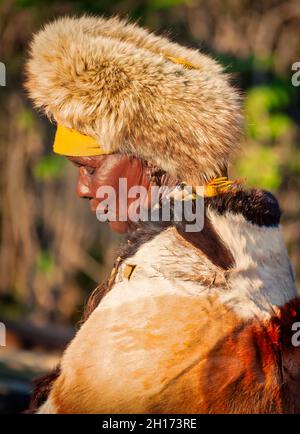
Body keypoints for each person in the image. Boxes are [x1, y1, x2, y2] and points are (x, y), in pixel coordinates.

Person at [25, 16, 300, 413]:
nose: (82, 189)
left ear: (154, 161)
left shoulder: (172, 293)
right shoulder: (244, 251)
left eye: (89, 167)